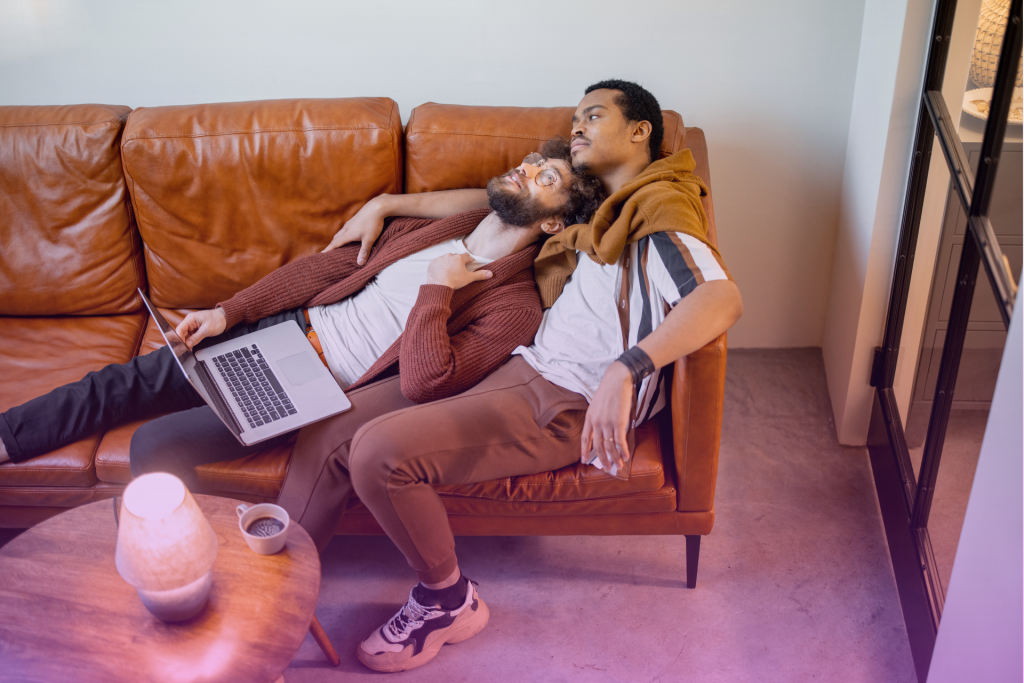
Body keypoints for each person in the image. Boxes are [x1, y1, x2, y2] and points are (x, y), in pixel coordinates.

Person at [290, 80, 744, 673]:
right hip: (523, 365)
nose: (577, 127)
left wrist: (627, 368)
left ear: (641, 133)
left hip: (563, 398)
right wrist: (388, 202)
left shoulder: (658, 212)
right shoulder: (603, 207)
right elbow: (494, 204)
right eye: (576, 118)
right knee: (333, 429)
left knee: (379, 453)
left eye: (594, 116)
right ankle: (277, 583)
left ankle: (447, 601)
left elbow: (719, 298)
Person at [0, 140, 604, 481]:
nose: (524, 170)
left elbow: (427, 382)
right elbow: (336, 267)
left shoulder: (515, 306)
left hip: (315, 385)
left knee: (155, 448)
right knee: (122, 382)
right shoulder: (454, 223)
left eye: (543, 177)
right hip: (287, 329)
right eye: (530, 162)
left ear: (553, 222)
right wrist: (228, 314)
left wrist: (437, 291)